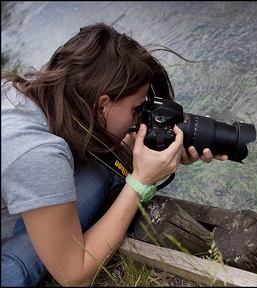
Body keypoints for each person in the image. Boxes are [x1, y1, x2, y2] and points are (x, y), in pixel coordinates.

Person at [1, 22, 228, 287]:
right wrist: (140, 182)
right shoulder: (37, 153)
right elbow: (74, 274)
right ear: (102, 104)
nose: (137, 120)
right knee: (102, 175)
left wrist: (153, 145)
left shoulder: (19, 91)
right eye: (136, 109)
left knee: (104, 163)